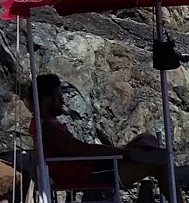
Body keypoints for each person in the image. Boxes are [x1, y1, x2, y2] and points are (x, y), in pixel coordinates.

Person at [27, 73, 167, 189]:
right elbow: (83, 150)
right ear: (46, 101)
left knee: (147, 139)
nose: (62, 103)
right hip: (88, 173)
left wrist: (122, 152)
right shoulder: (46, 129)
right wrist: (124, 153)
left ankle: (140, 152)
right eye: (59, 98)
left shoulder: (47, 125)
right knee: (161, 163)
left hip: (92, 168)